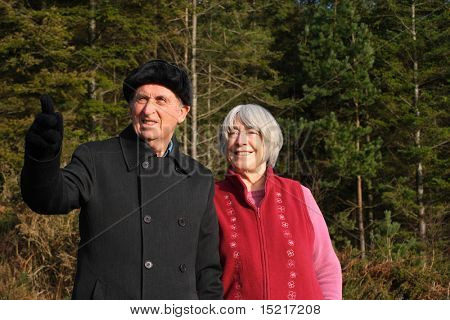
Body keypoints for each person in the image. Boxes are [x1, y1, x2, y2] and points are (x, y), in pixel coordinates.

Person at [21, 60, 223, 300]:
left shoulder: (199, 178)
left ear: (182, 112)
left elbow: (207, 271)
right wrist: (42, 157)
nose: (148, 110)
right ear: (130, 107)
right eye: (141, 99)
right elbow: (48, 198)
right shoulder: (95, 158)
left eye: (161, 100)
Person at [214, 104, 342, 300]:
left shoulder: (300, 194)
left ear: (268, 140)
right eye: (232, 133)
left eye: (251, 132)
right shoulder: (212, 198)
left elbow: (326, 268)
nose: (240, 141)